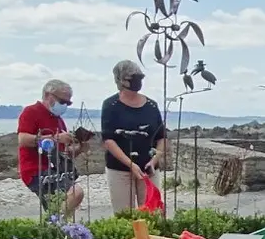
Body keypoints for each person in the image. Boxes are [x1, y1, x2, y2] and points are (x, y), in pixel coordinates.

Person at [100, 59, 167, 213]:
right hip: (120, 170)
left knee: (152, 213)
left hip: (149, 169)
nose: (138, 82)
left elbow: (161, 138)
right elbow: (109, 140)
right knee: (124, 215)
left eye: (140, 78)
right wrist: (130, 164)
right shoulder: (110, 105)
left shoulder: (151, 105)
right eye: (133, 79)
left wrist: (154, 160)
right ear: (121, 80)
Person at [18, 78, 86, 221]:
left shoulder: (58, 120)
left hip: (56, 169)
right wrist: (56, 138)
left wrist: (80, 148)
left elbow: (63, 154)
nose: (65, 106)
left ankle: (56, 226)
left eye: (68, 103)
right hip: (36, 169)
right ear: (49, 96)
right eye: (63, 102)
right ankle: (55, 225)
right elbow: (23, 140)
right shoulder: (31, 112)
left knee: (61, 202)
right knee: (75, 193)